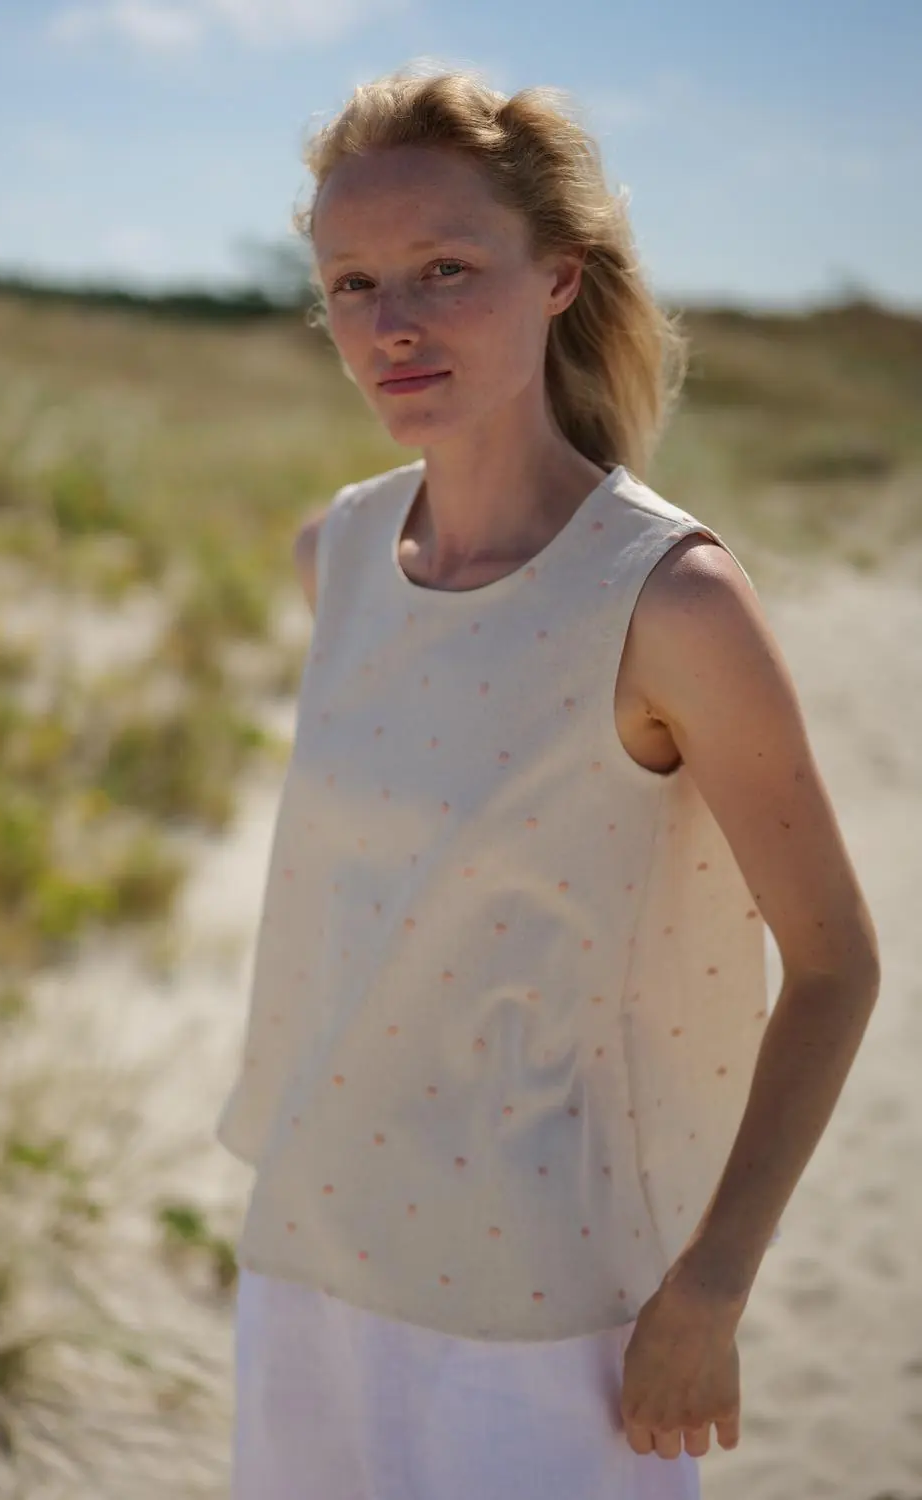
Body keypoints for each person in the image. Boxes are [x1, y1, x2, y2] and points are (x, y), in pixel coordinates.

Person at [216, 64, 881, 1500]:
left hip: (546, 1313)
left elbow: (837, 964)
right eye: (352, 284)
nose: (393, 323)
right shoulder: (337, 556)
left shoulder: (669, 598)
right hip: (308, 1259)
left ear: (559, 277)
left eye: (446, 270)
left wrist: (712, 1288)